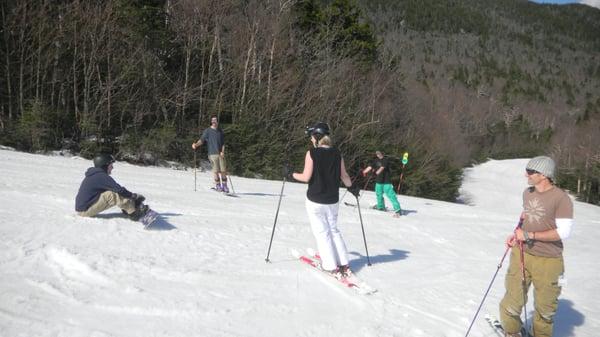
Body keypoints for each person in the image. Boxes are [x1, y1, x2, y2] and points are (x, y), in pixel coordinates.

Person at [499, 156, 574, 337]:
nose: (526, 174)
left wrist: (529, 235)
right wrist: (516, 234)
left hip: (549, 260)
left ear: (544, 175)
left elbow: (563, 232)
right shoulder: (528, 193)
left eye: (531, 172)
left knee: (545, 309)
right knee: (512, 300)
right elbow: (525, 217)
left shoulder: (561, 199)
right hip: (522, 253)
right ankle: (512, 331)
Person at [288, 122, 360, 278]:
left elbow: (306, 177)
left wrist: (290, 174)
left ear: (316, 137)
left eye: (312, 136)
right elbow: (345, 176)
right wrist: (352, 187)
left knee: (322, 233)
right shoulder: (337, 153)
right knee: (333, 230)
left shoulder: (312, 153)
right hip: (332, 200)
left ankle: (329, 265)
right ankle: (343, 263)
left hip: (315, 200)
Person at [75, 154, 148, 220]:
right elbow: (119, 190)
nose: (112, 167)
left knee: (113, 192)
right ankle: (134, 214)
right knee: (112, 194)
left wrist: (131, 197)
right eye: (111, 165)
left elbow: (118, 189)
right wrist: (133, 196)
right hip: (84, 211)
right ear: (105, 165)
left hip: (84, 208)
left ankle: (129, 208)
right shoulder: (100, 176)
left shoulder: (96, 174)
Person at [192, 115, 228, 192]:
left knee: (223, 170)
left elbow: (223, 144)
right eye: (212, 120)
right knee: (216, 171)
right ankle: (218, 185)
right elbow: (202, 140)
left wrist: (222, 151)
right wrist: (196, 145)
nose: (214, 122)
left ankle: (224, 186)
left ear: (217, 122)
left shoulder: (220, 131)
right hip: (212, 154)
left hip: (220, 154)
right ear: (211, 122)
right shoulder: (207, 131)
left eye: (215, 120)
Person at [362, 150, 402, 217]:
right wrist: (364, 171)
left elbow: (382, 168)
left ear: (382, 153)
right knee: (378, 194)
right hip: (379, 181)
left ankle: (398, 209)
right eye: (377, 153)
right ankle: (380, 207)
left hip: (386, 182)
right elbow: (371, 166)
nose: (378, 154)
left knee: (391, 195)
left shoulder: (385, 160)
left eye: (379, 153)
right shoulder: (376, 160)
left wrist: (376, 173)